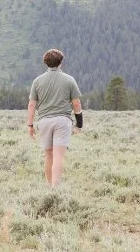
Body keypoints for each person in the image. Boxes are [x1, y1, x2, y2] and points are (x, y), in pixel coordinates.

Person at [26, 49, 83, 187]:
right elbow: (76, 103)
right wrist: (79, 123)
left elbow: (32, 105)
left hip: (44, 121)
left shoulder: (37, 81)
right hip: (63, 121)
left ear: (46, 62)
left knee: (49, 155)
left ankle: (49, 184)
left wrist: (30, 125)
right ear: (61, 63)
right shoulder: (69, 80)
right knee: (58, 156)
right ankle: (55, 188)